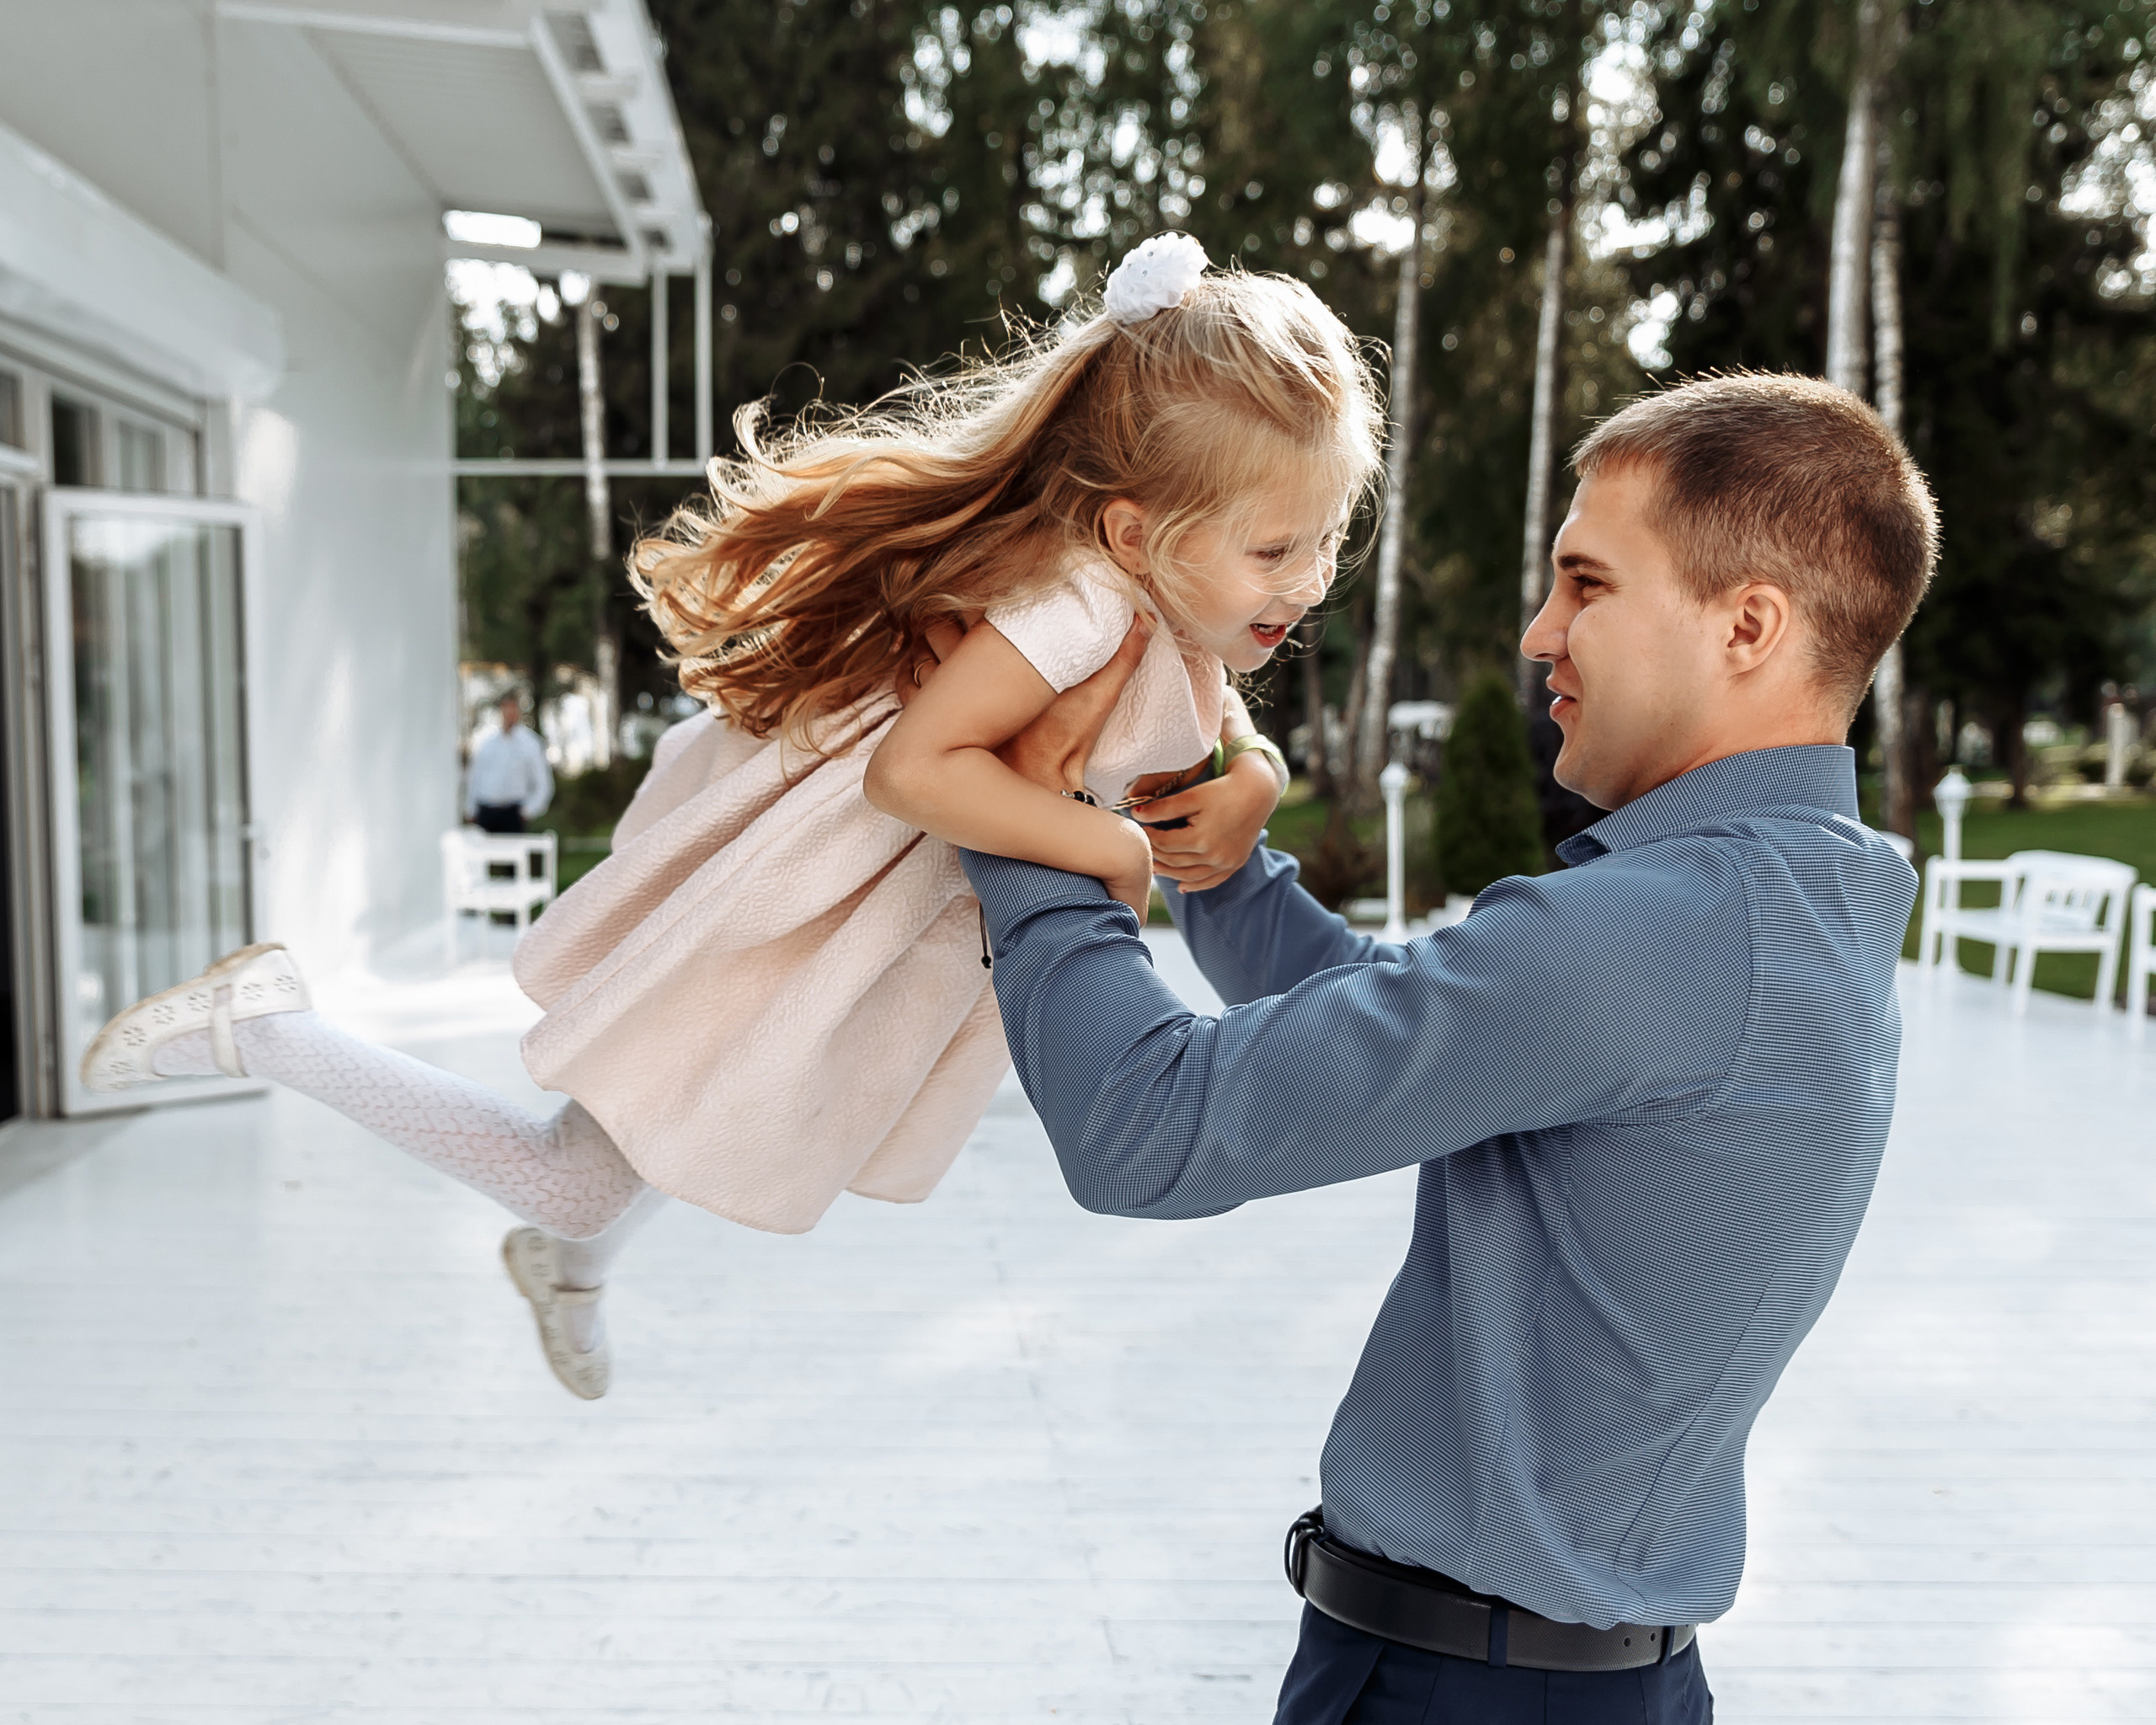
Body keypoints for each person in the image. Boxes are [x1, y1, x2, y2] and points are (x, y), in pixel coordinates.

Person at [75, 235, 1379, 1402]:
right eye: (1278, 551)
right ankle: (273, 1031)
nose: (1309, 581)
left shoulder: (1158, 598)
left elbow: (1207, 713)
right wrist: (1109, 848)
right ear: (1134, 527)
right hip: (810, 893)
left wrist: (1251, 778)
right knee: (599, 1159)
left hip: (858, 926)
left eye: (1326, 542)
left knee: (731, 1115)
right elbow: (915, 770)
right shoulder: (1081, 606)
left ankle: (569, 1272)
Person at [958, 372, 1937, 1723]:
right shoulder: (1799, 896)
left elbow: (1147, 1130)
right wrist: (1231, 879)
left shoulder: (1666, 927)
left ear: (1748, 627)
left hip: (1459, 1687)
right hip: (1591, 1679)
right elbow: (1422, 1023)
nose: (1542, 635)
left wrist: (1019, 813)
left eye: (1587, 584)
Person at [463, 693, 553, 834]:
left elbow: (543, 782)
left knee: (513, 854)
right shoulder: (487, 741)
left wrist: (529, 810)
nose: (508, 714)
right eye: (505, 709)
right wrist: (471, 808)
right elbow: (474, 776)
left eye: (512, 709)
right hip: (486, 812)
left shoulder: (530, 743)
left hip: (513, 813)